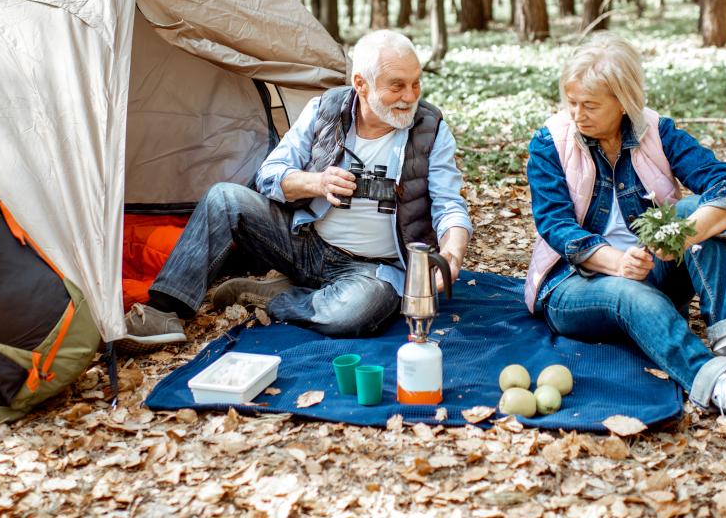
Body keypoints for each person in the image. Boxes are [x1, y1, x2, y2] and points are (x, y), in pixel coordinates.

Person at [121, 30, 472, 353]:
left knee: (356, 313)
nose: (410, 97)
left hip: (373, 269)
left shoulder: (430, 129)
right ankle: (164, 310)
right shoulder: (324, 110)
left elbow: (448, 205)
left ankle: (281, 296)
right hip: (305, 244)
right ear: (361, 84)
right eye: (397, 86)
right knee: (224, 198)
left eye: (416, 84)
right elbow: (269, 176)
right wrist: (315, 182)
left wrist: (452, 254)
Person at [525, 33, 726, 439]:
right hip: (574, 286)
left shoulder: (657, 132)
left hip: (655, 271)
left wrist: (686, 235)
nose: (577, 114)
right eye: (571, 102)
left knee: (694, 213)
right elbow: (555, 226)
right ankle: (725, 387)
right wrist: (617, 262)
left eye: (590, 105)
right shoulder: (550, 142)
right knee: (630, 293)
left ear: (624, 100)